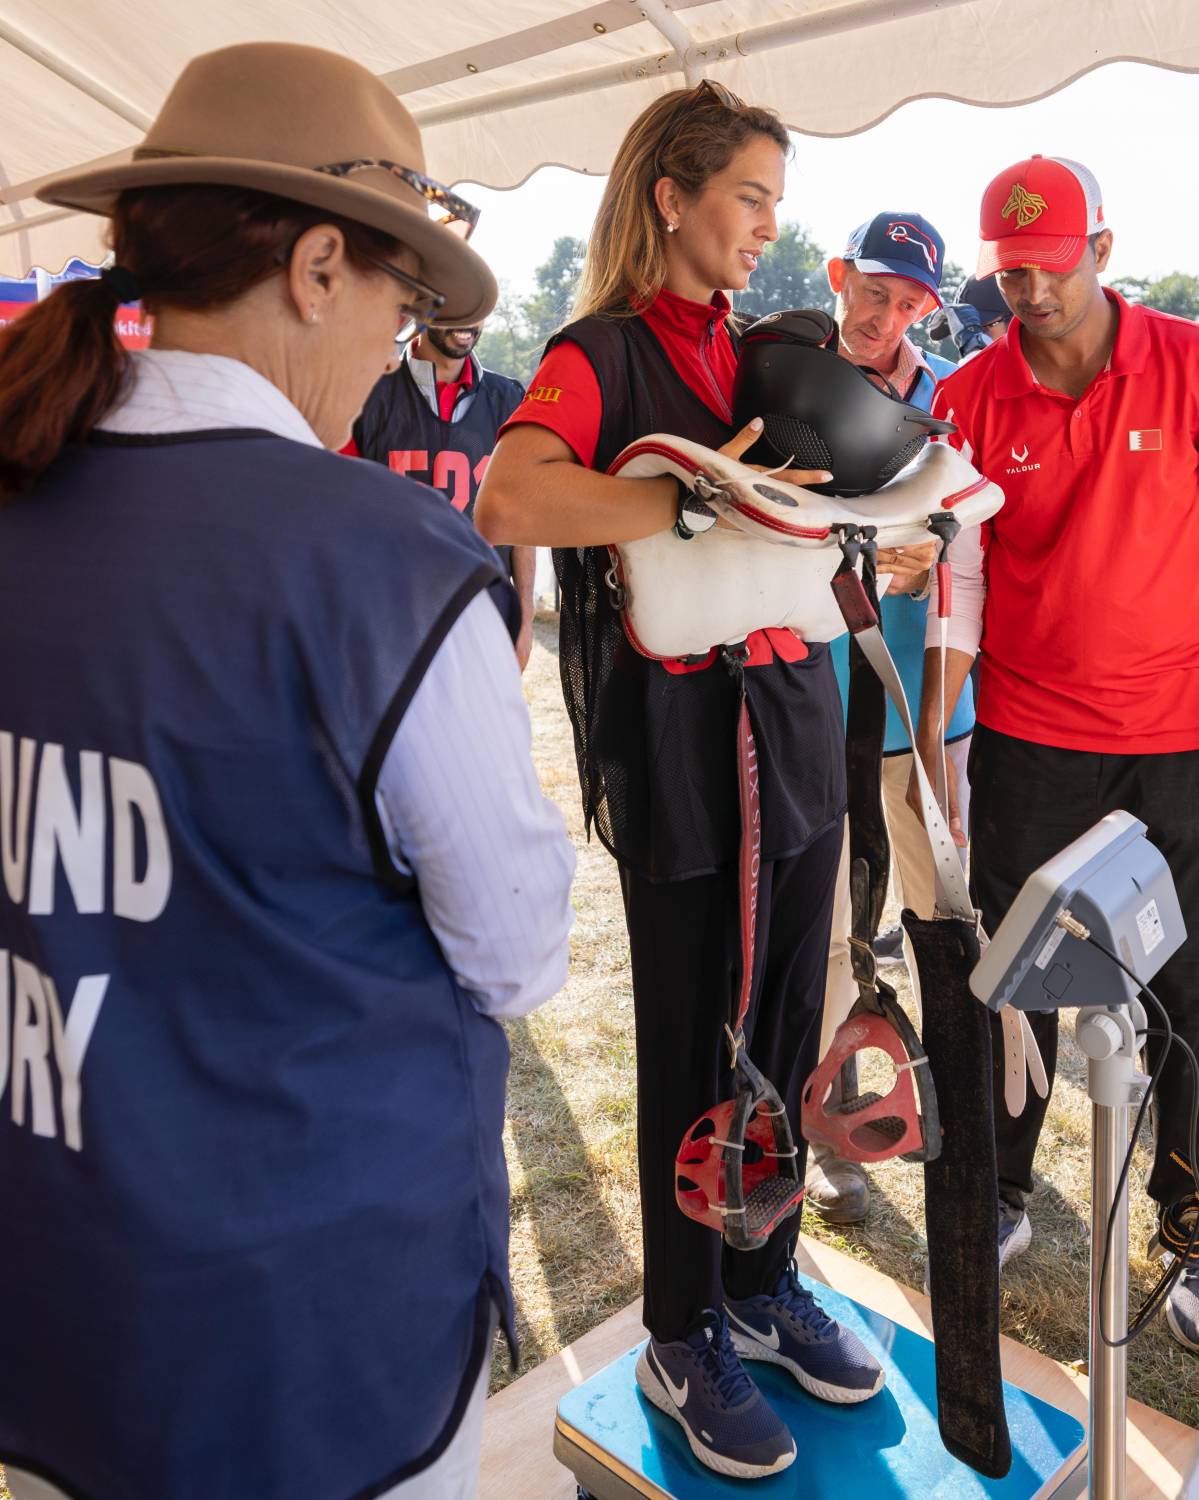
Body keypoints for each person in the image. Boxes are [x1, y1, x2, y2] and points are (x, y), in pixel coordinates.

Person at [0, 41, 575, 1500]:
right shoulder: (382, 563)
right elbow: (513, 954)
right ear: (319, 267)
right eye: (398, 302)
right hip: (307, 1333)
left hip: (53, 1292)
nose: (395, 352)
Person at [478, 80, 885, 1483]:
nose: (768, 227)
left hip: (794, 725)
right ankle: (675, 1324)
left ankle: (760, 1291)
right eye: (749, 197)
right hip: (679, 756)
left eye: (773, 200)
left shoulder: (760, 355)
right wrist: (682, 496)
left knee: (780, 1022)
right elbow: (512, 495)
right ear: (671, 193)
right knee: (689, 1047)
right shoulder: (600, 354)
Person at [910, 155, 1199, 1349]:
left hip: (1179, 739)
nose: (1026, 288)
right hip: (1031, 736)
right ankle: (997, 1191)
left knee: (1191, 991)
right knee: (1009, 982)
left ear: (1102, 249)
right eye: (1007, 268)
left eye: (1049, 263)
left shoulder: (1187, 364)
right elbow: (958, 580)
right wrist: (935, 728)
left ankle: (1189, 1233)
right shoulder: (970, 395)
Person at [806, 212, 975, 1225]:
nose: (888, 316)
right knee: (824, 939)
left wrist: (933, 556)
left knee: (941, 920)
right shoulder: (780, 376)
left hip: (922, 715)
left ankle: (956, 1115)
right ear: (838, 277)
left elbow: (979, 534)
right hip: (810, 708)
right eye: (874, 291)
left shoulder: (951, 398)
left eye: (910, 302)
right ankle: (835, 1126)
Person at [349, 319, 537, 670]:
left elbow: (521, 521)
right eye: (455, 306)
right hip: (393, 622)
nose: (468, 320)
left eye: (477, 307)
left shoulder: (509, 398)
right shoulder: (369, 394)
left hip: (484, 615)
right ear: (424, 309)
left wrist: (525, 619)